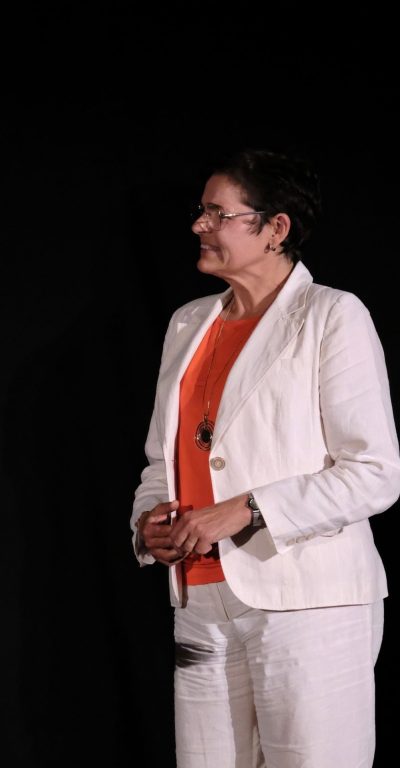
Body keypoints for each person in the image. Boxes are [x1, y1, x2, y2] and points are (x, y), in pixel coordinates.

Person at [130, 149, 400, 767]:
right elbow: (161, 460)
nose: (199, 225)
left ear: (276, 227)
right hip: (201, 601)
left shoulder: (332, 314)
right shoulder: (187, 324)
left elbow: (374, 473)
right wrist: (149, 522)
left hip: (308, 599)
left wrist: (247, 509)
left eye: (218, 213)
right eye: (201, 211)